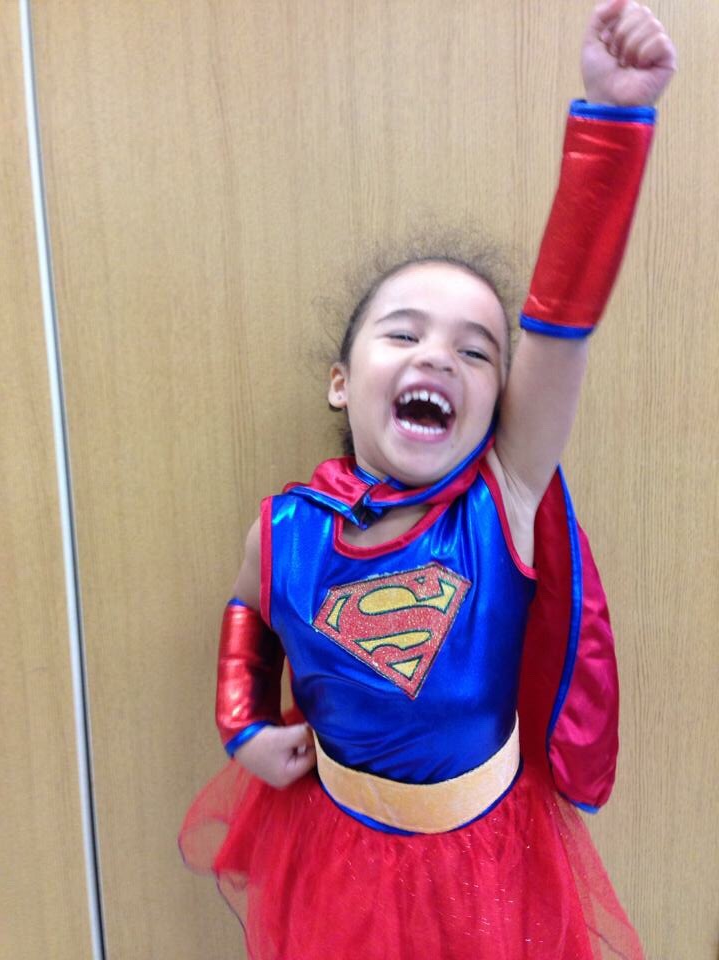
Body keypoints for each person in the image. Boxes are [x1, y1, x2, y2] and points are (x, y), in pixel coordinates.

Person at [179, 1, 676, 957]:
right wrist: (242, 723)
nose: (437, 356)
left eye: (477, 351)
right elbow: (246, 617)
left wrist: (612, 124)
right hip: (333, 848)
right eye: (403, 334)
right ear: (342, 380)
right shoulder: (284, 532)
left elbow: (562, 328)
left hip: (488, 861)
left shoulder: (504, 502)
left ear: (502, 405)